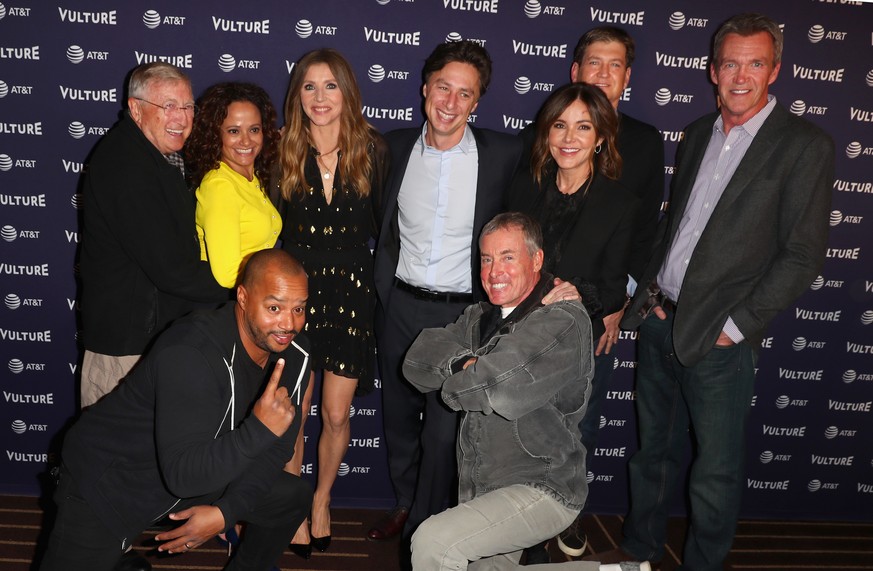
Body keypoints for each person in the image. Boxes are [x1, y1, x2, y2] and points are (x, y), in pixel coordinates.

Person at [588, 14, 834, 571]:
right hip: (659, 321)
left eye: (755, 63)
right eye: (730, 63)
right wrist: (642, 302)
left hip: (721, 340)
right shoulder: (699, 132)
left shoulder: (804, 146)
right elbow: (675, 228)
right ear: (712, 70)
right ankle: (639, 549)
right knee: (652, 454)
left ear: (775, 69)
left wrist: (737, 326)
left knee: (715, 471)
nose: (740, 75)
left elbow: (802, 254)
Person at [39, 249, 314, 571]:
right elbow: (185, 476)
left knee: (290, 496)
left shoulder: (295, 353)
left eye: (299, 309)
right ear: (242, 296)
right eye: (274, 308)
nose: (289, 324)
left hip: (196, 471)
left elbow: (277, 449)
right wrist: (260, 429)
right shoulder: (191, 351)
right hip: (111, 484)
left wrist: (227, 511)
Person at [404, 212, 648, 571]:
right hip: (484, 489)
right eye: (486, 259)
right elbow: (415, 361)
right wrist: (462, 365)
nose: (493, 271)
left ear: (536, 260)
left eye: (507, 257)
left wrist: (461, 376)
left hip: (544, 487)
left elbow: (499, 388)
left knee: (433, 542)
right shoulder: (478, 317)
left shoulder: (562, 319)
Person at [369, 40, 533, 550]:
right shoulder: (389, 149)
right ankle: (404, 501)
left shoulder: (503, 155)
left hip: (464, 315)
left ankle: (424, 525)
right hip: (399, 305)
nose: (451, 102)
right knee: (397, 418)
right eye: (444, 87)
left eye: (465, 94)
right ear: (425, 89)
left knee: (443, 429)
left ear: (477, 102)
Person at [518, 28, 664, 558]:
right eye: (593, 63)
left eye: (616, 65)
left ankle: (566, 512)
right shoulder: (534, 169)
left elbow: (645, 233)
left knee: (581, 420)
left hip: (598, 310)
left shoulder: (645, 144)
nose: (603, 73)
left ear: (629, 76)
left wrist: (615, 305)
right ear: (575, 71)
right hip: (526, 322)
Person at [276, 48, 389, 558]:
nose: (319, 98)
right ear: (296, 95)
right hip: (295, 299)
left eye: (330, 86)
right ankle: (295, 505)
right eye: (309, 87)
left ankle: (322, 499)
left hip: (349, 295)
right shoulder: (280, 152)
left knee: (337, 415)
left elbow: (389, 232)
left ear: (347, 92)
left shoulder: (374, 152)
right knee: (295, 415)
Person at [79, 62, 230, 408]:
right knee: (113, 457)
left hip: (151, 343)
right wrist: (244, 286)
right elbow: (172, 269)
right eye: (169, 107)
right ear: (136, 109)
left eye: (188, 106)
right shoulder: (126, 167)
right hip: (125, 353)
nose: (181, 118)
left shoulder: (160, 157)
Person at [186, 82, 282, 288]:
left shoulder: (250, 178)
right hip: (228, 308)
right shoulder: (220, 187)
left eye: (254, 129)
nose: (246, 141)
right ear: (215, 134)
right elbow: (228, 275)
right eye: (233, 131)